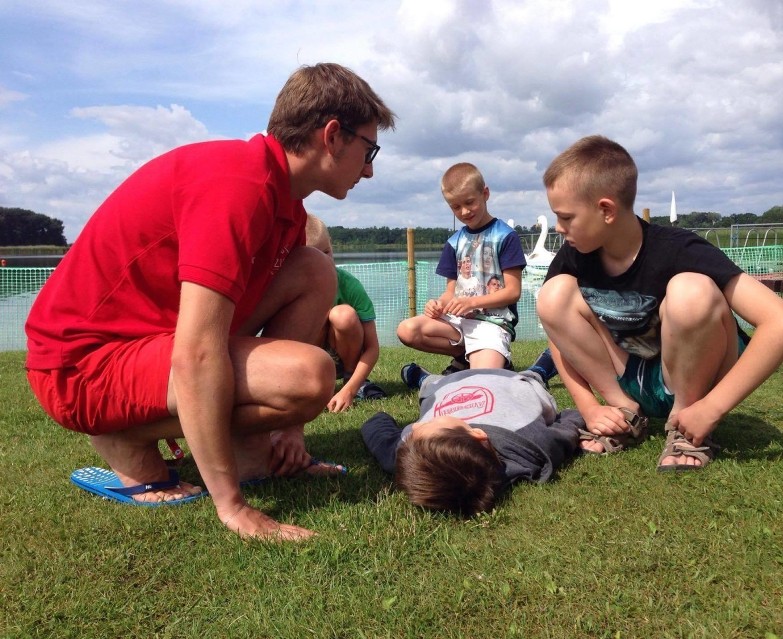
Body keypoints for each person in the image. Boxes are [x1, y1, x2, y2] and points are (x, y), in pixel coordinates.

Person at [24, 62, 396, 541]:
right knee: (310, 376)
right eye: (370, 149)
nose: (369, 168)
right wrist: (233, 507)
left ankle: (255, 450)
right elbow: (199, 350)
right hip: (79, 367)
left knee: (314, 268)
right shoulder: (237, 185)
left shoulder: (280, 199)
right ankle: (124, 436)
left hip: (145, 344)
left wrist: (291, 432)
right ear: (331, 135)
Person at [536, 135, 783, 471]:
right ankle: (625, 413)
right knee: (552, 294)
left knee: (691, 290)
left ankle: (685, 424)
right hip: (631, 378)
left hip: (694, 381)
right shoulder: (575, 255)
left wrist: (713, 407)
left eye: (565, 217)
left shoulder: (679, 249)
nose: (559, 228)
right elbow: (556, 334)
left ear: (605, 210)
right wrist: (589, 406)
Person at [361, 368, 583, 516]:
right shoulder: (530, 441)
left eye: (416, 428)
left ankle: (422, 378)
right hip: (508, 379)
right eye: (430, 423)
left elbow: (374, 426)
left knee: (432, 387)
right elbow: (571, 419)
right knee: (533, 378)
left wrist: (382, 418)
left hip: (446, 384)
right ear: (478, 435)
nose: (415, 425)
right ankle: (541, 368)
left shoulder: (406, 454)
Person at [396, 163, 525, 378]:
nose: (464, 211)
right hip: (457, 322)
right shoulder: (454, 243)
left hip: (492, 322)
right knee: (407, 330)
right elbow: (451, 292)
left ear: (485, 194)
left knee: (483, 378)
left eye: (469, 202)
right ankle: (465, 357)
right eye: (455, 207)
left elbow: (513, 292)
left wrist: (471, 302)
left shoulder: (505, 236)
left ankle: (485, 360)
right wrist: (438, 306)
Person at [305, 213, 387, 412]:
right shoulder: (289, 289)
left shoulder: (349, 285)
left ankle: (354, 380)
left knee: (343, 315)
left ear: (332, 244)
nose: (325, 263)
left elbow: (372, 347)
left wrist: (349, 389)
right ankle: (315, 380)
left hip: (344, 355)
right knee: (309, 313)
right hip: (308, 360)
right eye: (315, 258)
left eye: (327, 252)